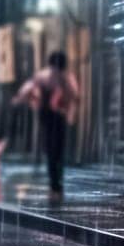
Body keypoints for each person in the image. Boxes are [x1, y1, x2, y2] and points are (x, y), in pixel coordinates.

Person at [15, 51, 79, 202]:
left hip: (46, 116)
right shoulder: (66, 76)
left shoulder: (42, 76)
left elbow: (25, 91)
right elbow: (74, 95)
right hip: (60, 116)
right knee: (59, 150)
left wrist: (34, 102)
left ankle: (54, 184)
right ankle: (58, 183)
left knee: (50, 149)